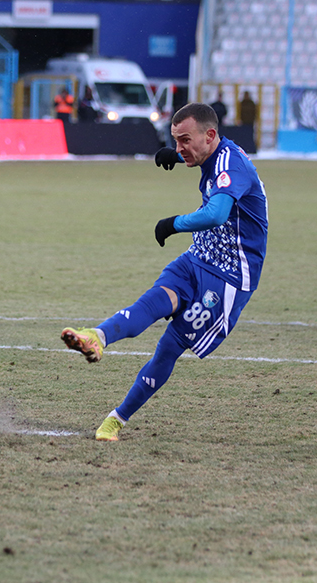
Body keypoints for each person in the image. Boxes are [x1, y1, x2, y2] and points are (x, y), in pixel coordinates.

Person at [61, 103, 268, 441]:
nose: (179, 147)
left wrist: (174, 224)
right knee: (155, 301)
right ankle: (97, 337)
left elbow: (216, 214)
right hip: (200, 255)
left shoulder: (233, 165)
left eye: (185, 140)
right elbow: (210, 167)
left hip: (229, 275)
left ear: (210, 135)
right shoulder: (216, 154)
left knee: (169, 347)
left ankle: (116, 419)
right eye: (175, 141)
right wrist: (181, 157)